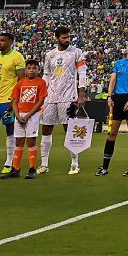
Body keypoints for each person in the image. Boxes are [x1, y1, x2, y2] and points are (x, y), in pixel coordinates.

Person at [40, 27, 88, 175]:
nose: (67, 40)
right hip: (50, 97)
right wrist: (42, 92)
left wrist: (81, 94)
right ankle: (44, 164)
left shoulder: (76, 52)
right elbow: (47, 75)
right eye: (63, 38)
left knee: (69, 130)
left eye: (68, 37)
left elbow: (82, 73)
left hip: (68, 96)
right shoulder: (50, 55)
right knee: (46, 129)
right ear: (56, 38)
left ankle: (75, 163)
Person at [99, 38, 128, 177]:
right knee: (111, 133)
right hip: (117, 99)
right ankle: (105, 167)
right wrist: (109, 97)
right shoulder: (118, 64)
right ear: (125, 48)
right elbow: (112, 81)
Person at [0, 33, 26, 175]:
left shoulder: (17, 56)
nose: (0, 43)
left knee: (10, 129)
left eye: (3, 40)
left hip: (7, 99)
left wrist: (14, 99)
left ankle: (9, 162)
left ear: (10, 42)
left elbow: (21, 80)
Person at [5, 59, 47, 180]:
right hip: (19, 115)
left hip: (32, 115)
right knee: (18, 142)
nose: (31, 70)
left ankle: (32, 169)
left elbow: (40, 101)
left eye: (34, 68)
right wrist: (17, 116)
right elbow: (14, 100)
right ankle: (15, 169)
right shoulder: (20, 83)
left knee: (31, 142)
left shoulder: (41, 83)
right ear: (25, 69)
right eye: (29, 68)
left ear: (38, 70)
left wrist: (28, 115)